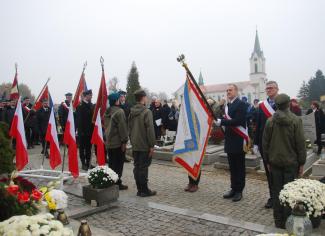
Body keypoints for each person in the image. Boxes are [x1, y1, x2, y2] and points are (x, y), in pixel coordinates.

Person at [263, 94, 306, 229]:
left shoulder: (270, 121)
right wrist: (302, 162)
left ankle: (278, 220)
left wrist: (268, 161)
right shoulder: (296, 120)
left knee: (277, 192)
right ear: (289, 104)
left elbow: (265, 144)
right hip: (290, 163)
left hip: (275, 162)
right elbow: (300, 143)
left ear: (276, 105)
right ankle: (288, 220)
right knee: (290, 192)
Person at [215, 84, 247, 202]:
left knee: (239, 167)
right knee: (232, 167)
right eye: (227, 90)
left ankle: (239, 191)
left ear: (236, 91)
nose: (228, 92)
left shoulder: (241, 104)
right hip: (229, 140)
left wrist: (222, 122)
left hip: (238, 140)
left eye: (230, 90)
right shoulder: (228, 105)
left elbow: (238, 120)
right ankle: (233, 188)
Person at [254, 81, 279, 209]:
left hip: (280, 145)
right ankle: (272, 197)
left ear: (277, 89)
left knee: (280, 173)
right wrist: (256, 143)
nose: (269, 90)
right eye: (267, 88)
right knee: (269, 173)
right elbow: (258, 126)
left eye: (271, 88)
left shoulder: (283, 104)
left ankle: (282, 197)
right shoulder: (262, 105)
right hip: (266, 145)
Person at [129, 89, 156, 197]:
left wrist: (132, 140)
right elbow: (150, 129)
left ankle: (140, 189)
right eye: (145, 97)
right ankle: (144, 190)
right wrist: (152, 145)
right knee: (143, 167)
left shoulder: (132, 111)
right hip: (144, 144)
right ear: (143, 98)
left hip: (135, 143)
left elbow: (129, 128)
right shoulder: (146, 112)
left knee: (137, 166)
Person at [104, 92, 129, 190]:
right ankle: (117, 182)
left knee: (112, 163)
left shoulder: (107, 111)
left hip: (109, 142)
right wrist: (124, 141)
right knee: (118, 164)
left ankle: (111, 181)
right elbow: (122, 128)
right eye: (119, 99)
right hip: (118, 142)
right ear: (117, 101)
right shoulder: (119, 112)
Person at [76, 89, 94, 170]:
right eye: (90, 95)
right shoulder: (80, 106)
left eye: (91, 95)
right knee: (82, 148)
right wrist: (81, 131)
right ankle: (83, 164)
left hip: (90, 131)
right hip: (82, 132)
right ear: (86, 96)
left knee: (88, 149)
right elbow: (79, 120)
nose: (91, 96)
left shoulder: (91, 105)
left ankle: (88, 163)